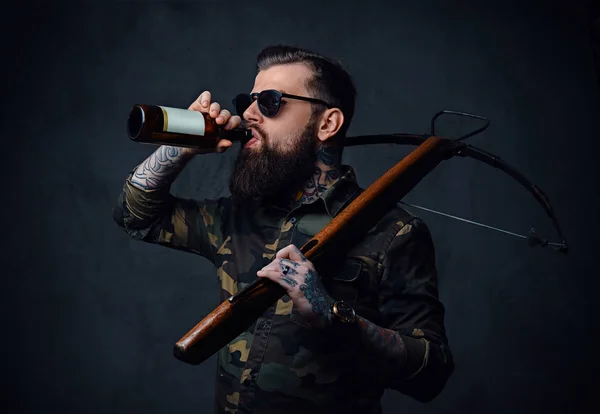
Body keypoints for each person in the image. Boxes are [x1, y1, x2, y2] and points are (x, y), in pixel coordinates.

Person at [113, 45, 454, 414]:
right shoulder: (236, 217)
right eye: (249, 100)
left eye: (271, 102)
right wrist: (181, 146)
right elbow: (135, 217)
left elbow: (431, 374)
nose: (248, 113)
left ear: (328, 124)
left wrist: (334, 316)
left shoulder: (395, 232)